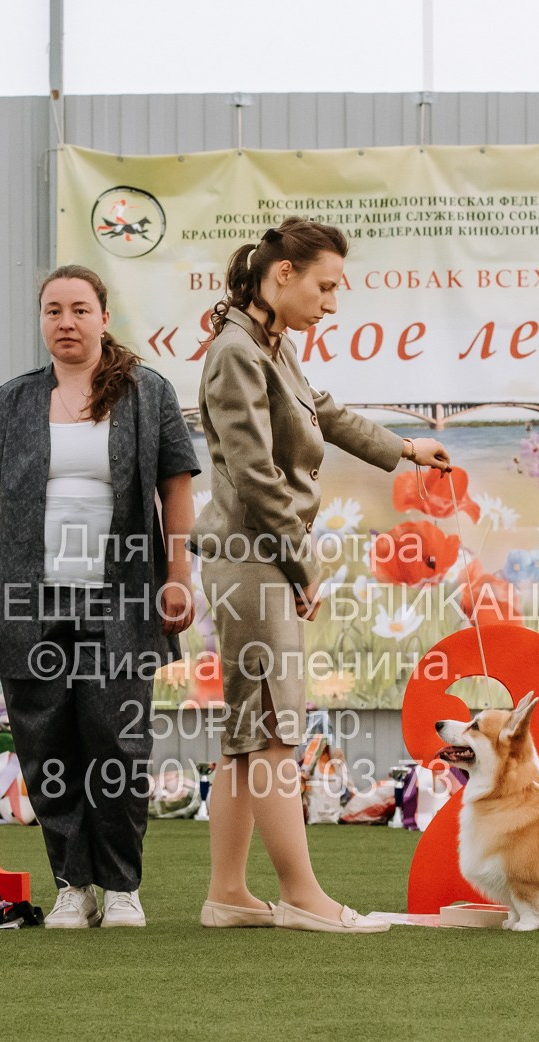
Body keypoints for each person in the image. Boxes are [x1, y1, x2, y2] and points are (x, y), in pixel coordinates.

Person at [192, 218, 451, 934]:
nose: (333, 302)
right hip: (254, 557)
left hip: (254, 555)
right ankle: (302, 894)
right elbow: (253, 474)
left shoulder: (268, 345)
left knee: (248, 733)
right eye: (325, 285)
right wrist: (302, 564)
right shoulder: (238, 354)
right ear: (282, 276)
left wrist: (403, 448)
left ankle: (227, 894)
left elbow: (323, 413)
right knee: (274, 730)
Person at [0, 264, 200, 929]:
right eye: (53, 311)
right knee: (45, 741)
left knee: (116, 740)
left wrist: (178, 574)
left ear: (103, 317)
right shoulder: (13, 400)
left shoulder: (148, 393)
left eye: (79, 309)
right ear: (42, 322)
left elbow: (176, 487)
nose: (66, 322)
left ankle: (122, 886)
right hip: (31, 600)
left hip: (120, 597)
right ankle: (74, 883)